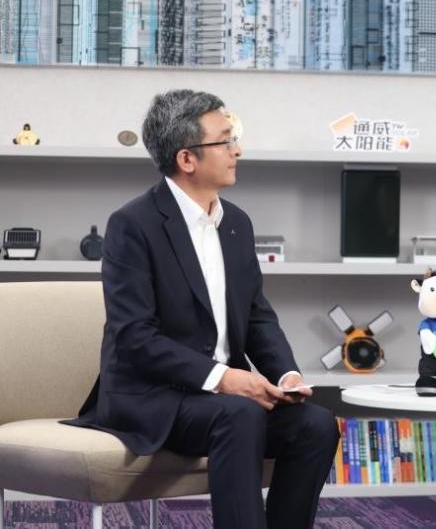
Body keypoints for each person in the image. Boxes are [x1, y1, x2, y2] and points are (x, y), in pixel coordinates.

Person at [66, 90, 339, 529]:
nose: (238, 150)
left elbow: (256, 315)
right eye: (225, 140)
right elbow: (135, 338)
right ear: (187, 159)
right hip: (152, 397)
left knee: (316, 425)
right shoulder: (133, 225)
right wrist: (225, 378)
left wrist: (286, 375)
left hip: (222, 400)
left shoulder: (237, 223)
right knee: (240, 413)